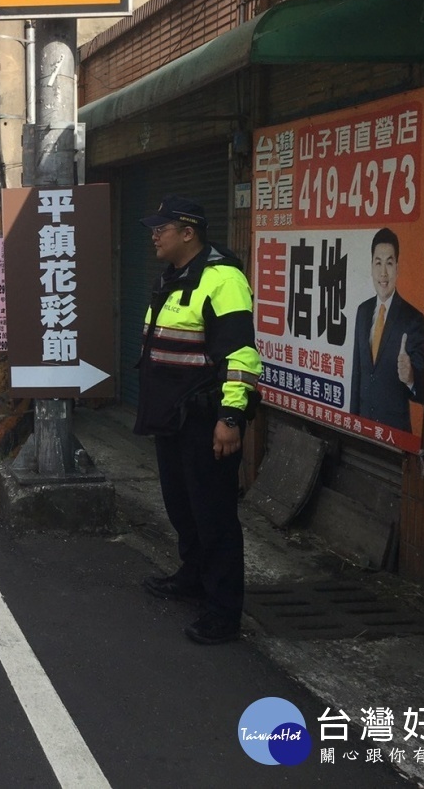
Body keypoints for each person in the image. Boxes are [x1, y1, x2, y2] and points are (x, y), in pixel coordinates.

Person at [133, 195, 261, 645]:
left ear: (188, 233)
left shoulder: (223, 280)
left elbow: (241, 355)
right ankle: (192, 576)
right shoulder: (173, 276)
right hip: (171, 417)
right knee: (181, 506)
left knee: (215, 517)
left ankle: (223, 613)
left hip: (206, 421)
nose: (154, 235)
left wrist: (231, 417)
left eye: (161, 228)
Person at [349, 227, 424, 433]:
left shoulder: (413, 319)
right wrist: (351, 425)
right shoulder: (363, 311)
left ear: (397, 268)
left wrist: (411, 377)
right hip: (363, 428)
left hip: (395, 432)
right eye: (378, 263)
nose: (383, 273)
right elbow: (357, 374)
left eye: (389, 263)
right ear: (371, 267)